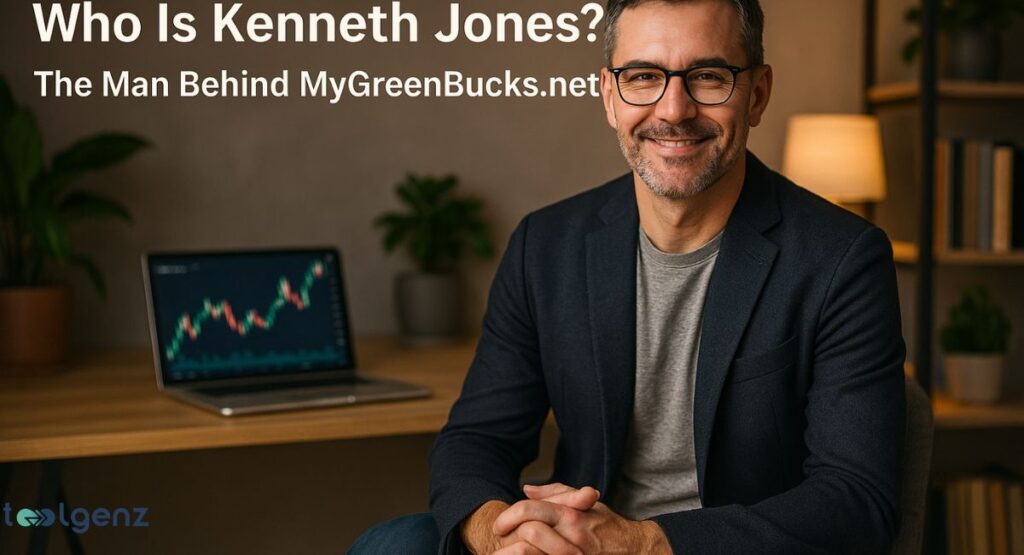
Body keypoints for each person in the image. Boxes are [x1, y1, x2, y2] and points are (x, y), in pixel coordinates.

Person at [350, 0, 906, 553]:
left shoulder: (842, 259)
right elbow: (476, 439)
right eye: (643, 77)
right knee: (393, 544)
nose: (673, 109)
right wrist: (498, 534)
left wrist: (641, 543)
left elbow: (856, 498)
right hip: (575, 546)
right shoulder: (544, 246)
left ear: (756, 94)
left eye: (709, 77)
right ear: (610, 97)